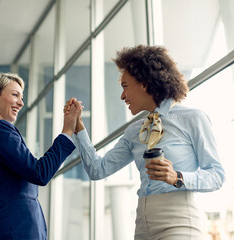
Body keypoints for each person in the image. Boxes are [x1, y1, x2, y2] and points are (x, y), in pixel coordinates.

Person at [66, 45, 225, 239]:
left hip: (180, 221)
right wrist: (78, 126)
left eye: (125, 86)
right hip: (142, 224)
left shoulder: (193, 119)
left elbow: (217, 175)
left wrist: (177, 177)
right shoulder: (135, 131)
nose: (122, 96)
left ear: (144, 83)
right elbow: (97, 170)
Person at [0, 72, 82, 240]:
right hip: (15, 229)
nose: (21, 103)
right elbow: (39, 172)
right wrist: (67, 131)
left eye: (21, 97)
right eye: (15, 95)